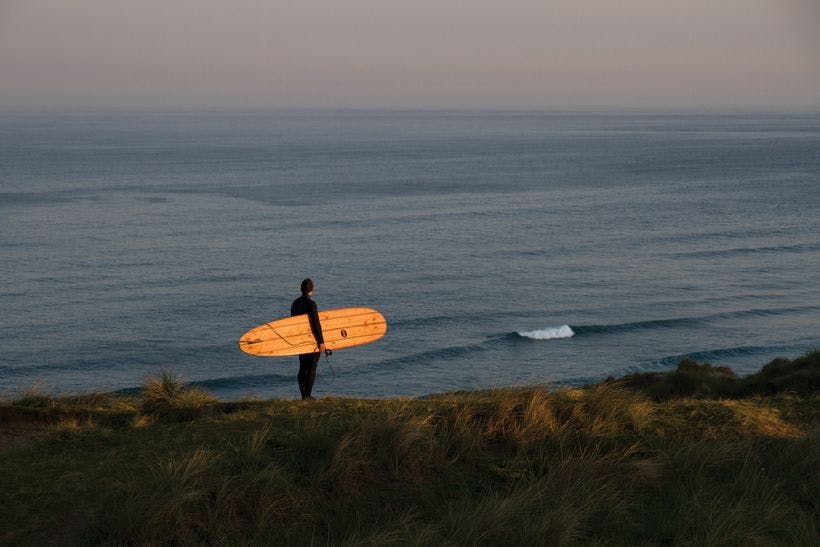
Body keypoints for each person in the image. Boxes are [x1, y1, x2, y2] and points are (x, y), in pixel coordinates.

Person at [290, 278, 325, 399]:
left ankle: (303, 395)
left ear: (301, 289)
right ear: (312, 290)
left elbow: (292, 324)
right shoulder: (311, 304)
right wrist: (321, 342)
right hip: (312, 341)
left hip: (300, 341)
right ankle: (308, 396)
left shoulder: (295, 303)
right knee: (312, 368)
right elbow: (316, 324)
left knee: (302, 367)